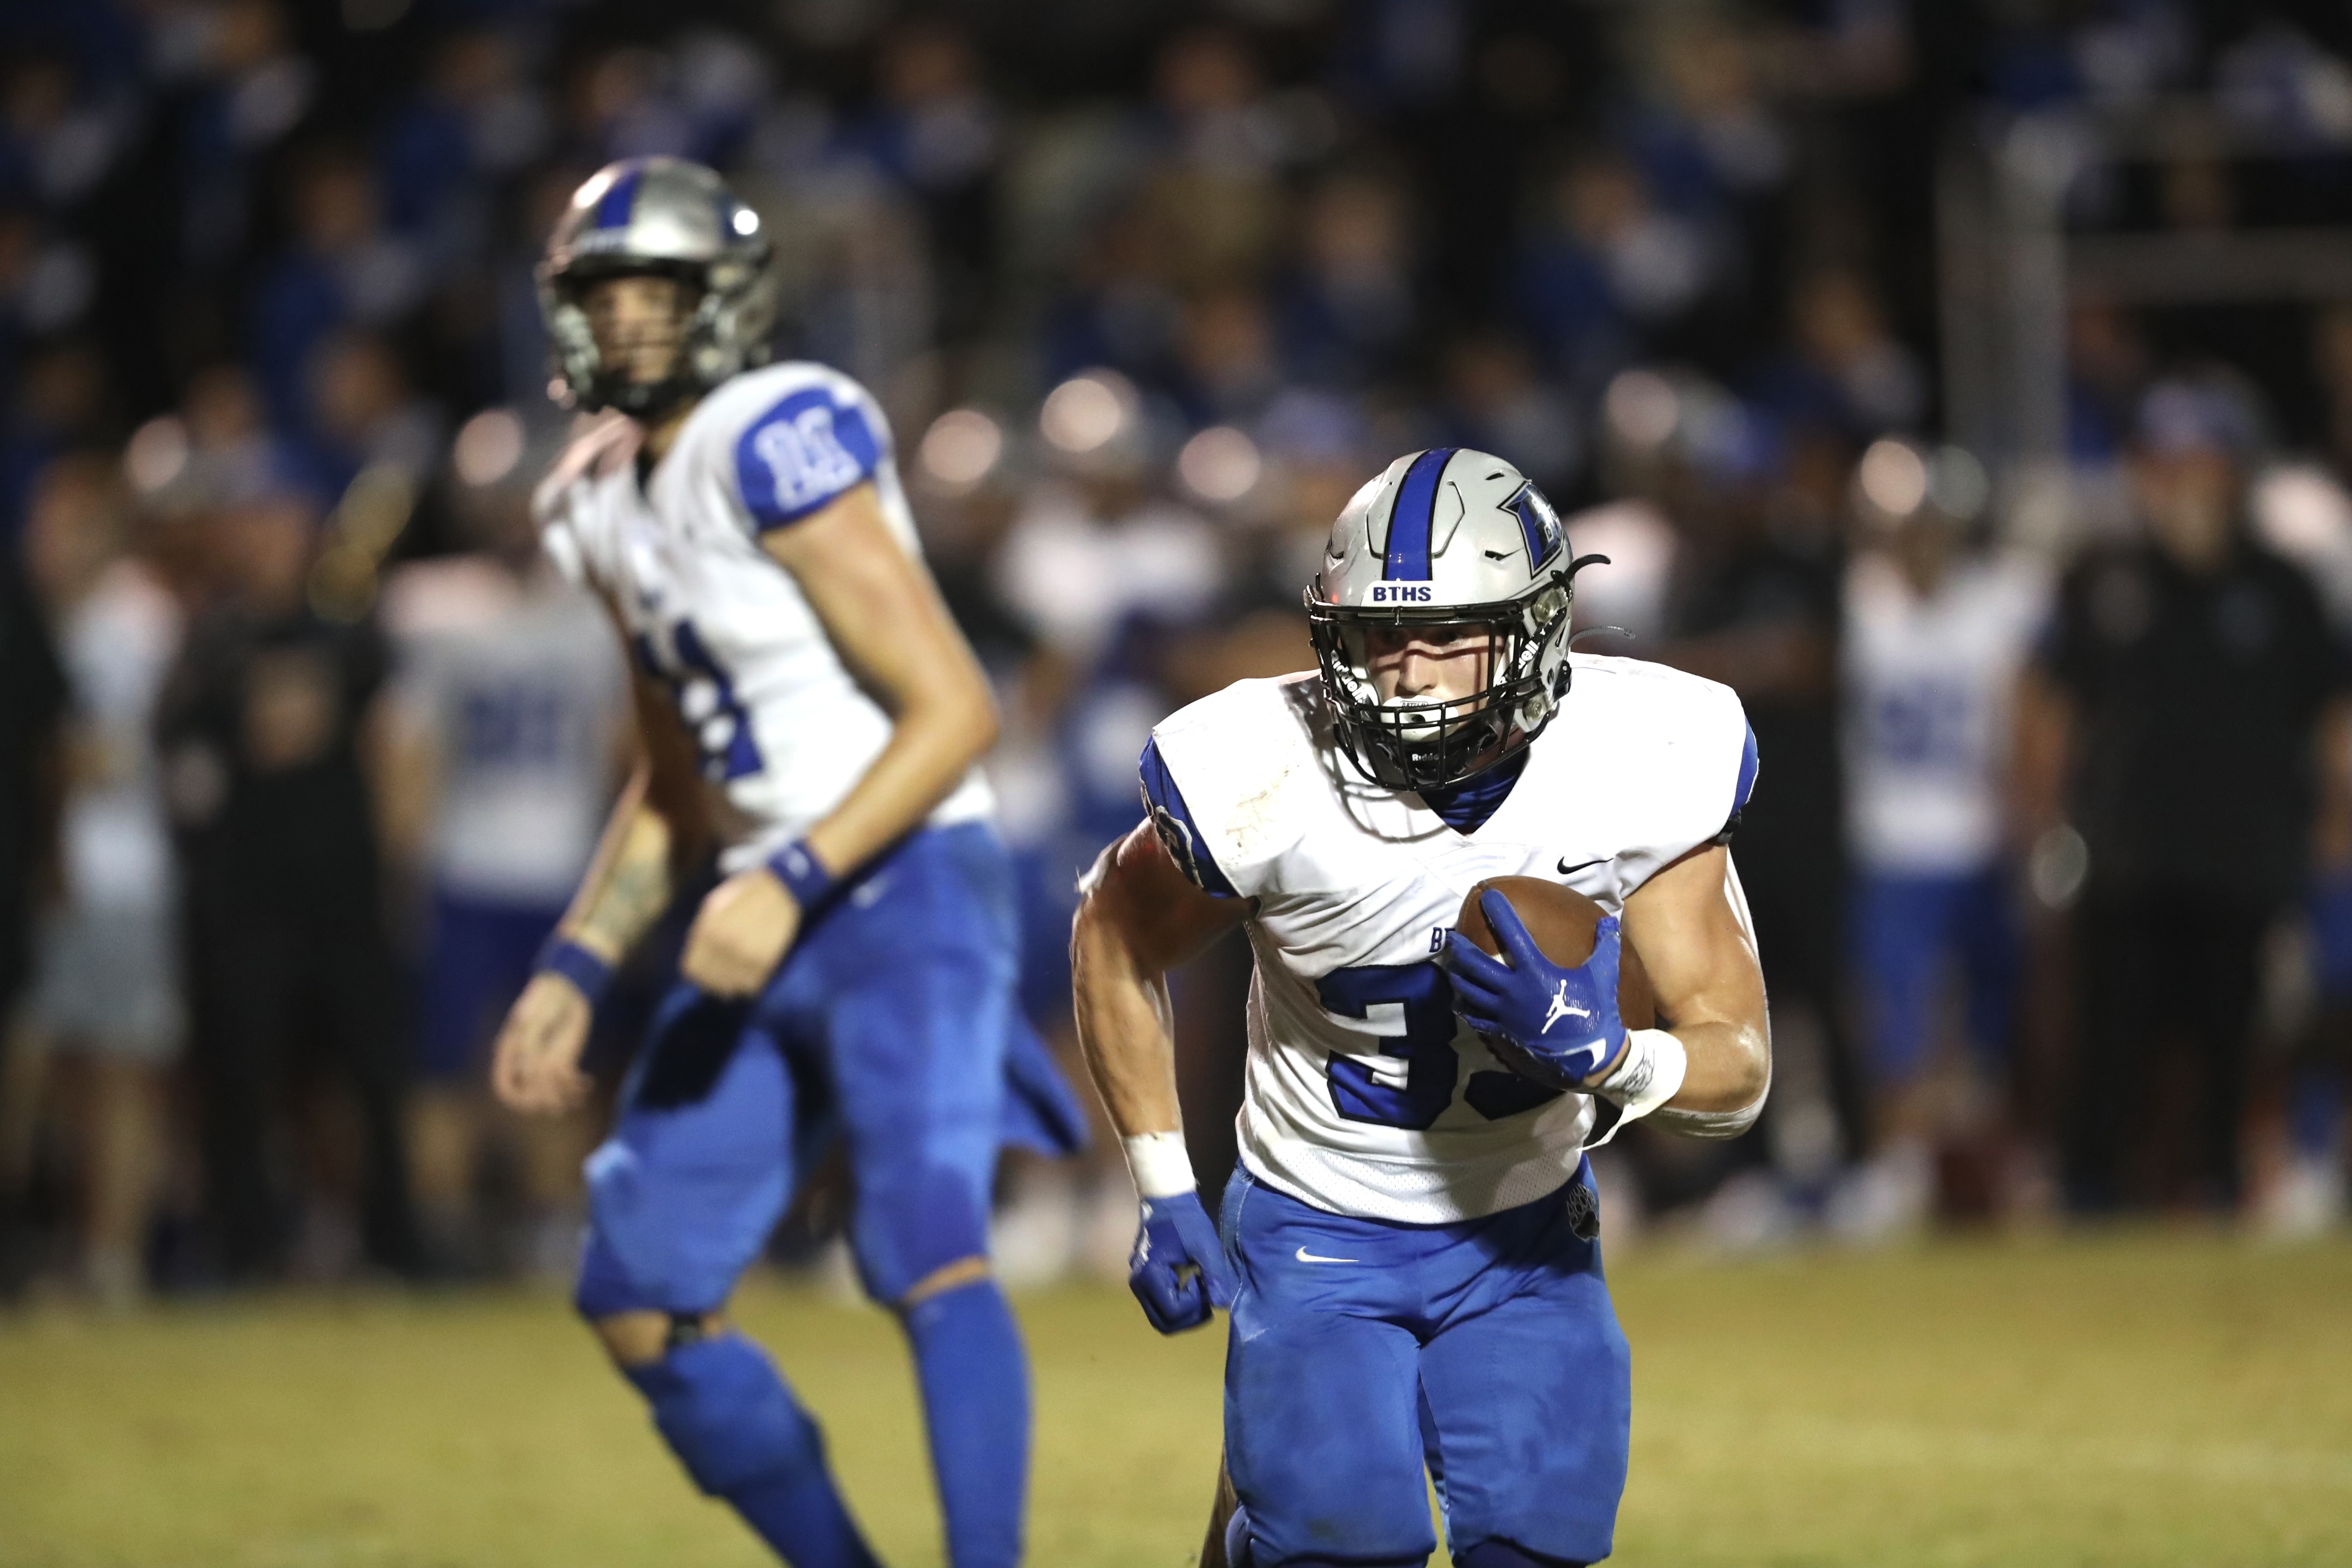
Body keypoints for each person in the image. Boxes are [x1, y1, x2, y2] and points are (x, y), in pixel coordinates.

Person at [489, 157, 1082, 1568]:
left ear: (727, 302)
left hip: (903, 887)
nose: (629, 320)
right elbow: (674, 779)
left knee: (922, 1242)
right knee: (637, 1291)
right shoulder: (587, 500)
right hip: (760, 899)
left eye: (659, 290)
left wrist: (793, 877)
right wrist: (580, 957)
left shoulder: (774, 432)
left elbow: (955, 706)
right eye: (604, 292)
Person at [1072, 447, 1772, 1568]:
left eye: (1446, 635)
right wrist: (1161, 1186)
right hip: (1320, 1226)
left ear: (1537, 629)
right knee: (1345, 1544)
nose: (1405, 672)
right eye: (1377, 637)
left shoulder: (1641, 753)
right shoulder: (1267, 768)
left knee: (1536, 1544)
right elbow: (1112, 936)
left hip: (1528, 1230)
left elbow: (1736, 1059)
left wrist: (1620, 1062)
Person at [2021, 377, 2352, 1213]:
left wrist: (2337, 821)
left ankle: (2223, 1187)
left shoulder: (2283, 587)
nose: (2187, 485)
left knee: (2233, 1041)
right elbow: (2050, 701)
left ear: (2236, 474)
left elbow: (2331, 717)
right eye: (2171, 466)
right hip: (2126, 853)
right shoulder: (2105, 575)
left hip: (2246, 855)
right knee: (2112, 1041)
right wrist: (2037, 816)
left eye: (2203, 465)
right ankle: (2090, 1196)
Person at [157, 481, 427, 1283]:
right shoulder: (209, 643)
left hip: (343, 892)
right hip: (249, 902)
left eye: (284, 527)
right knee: (244, 1077)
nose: (273, 543)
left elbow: (394, 753)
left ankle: (394, 1244)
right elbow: (181, 767)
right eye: (258, 528)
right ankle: (247, 1245)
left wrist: (400, 870)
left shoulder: (351, 634)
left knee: (373, 1077)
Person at [377, 455, 627, 1271]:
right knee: (448, 1062)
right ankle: (442, 1233)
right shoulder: (436, 607)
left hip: (563, 871)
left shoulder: (598, 610)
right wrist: (405, 866)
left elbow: (622, 752)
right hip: (467, 867)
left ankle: (550, 1230)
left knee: (558, 1064)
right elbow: (410, 753)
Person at [1831, 474, 2046, 1240]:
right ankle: (1901, 1171)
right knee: (1900, 1020)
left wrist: (2029, 823)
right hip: (1891, 843)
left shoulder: (2002, 600)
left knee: (1991, 1018)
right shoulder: (1859, 600)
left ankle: (1995, 1170)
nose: (1921, 544)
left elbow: (2028, 715)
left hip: (1979, 837)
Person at [9, 454, 183, 1304]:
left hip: (119, 875)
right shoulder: (31, 618)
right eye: (48, 524)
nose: (56, 542)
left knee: (117, 1071)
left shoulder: (133, 620)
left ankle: (113, 1260)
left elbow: (103, 757)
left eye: (76, 525)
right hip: (38, 877)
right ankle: (47, 1250)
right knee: (43, 1073)